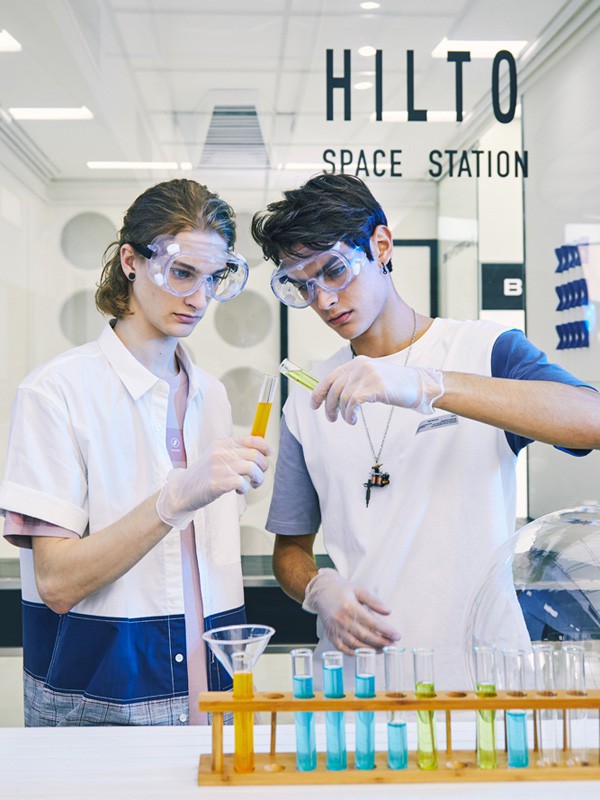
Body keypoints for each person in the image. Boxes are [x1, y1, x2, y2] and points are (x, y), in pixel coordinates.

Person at [251, 173, 600, 689]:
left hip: (479, 675)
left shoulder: (483, 350)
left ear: (381, 245)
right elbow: (290, 551)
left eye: (334, 271)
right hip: (361, 678)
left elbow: (590, 420)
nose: (323, 300)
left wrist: (426, 384)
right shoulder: (310, 397)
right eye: (303, 286)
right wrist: (318, 588)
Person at [0, 179, 270, 726]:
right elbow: (56, 583)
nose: (199, 299)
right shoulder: (55, 393)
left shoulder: (212, 395)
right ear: (131, 261)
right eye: (182, 273)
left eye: (214, 278)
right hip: (103, 705)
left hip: (215, 700)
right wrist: (172, 501)